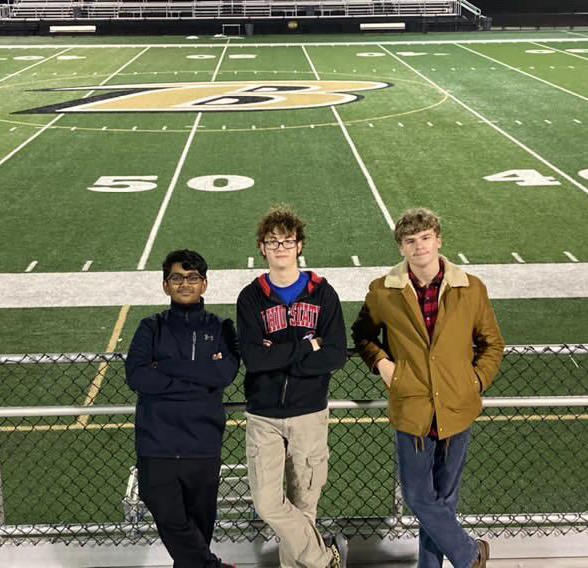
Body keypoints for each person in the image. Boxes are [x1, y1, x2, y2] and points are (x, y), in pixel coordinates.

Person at [351, 208, 504, 568]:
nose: (419, 246)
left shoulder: (470, 288)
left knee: (444, 502)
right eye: (410, 241)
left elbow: (492, 344)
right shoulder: (383, 291)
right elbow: (362, 334)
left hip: (457, 406)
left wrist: (474, 382)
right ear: (401, 247)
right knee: (419, 497)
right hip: (413, 406)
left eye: (425, 238)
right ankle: (470, 555)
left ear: (438, 240)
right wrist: (384, 365)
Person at [236, 205, 348, 568]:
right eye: (273, 242)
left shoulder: (323, 293)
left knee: (304, 507)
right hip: (264, 416)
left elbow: (335, 355)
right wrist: (306, 347)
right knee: (268, 504)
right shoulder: (250, 297)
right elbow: (255, 360)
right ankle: (324, 558)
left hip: (309, 413)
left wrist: (280, 356)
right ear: (262, 247)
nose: (280, 248)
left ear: (299, 245)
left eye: (287, 241)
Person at [126, 249, 239, 568]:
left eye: (192, 278)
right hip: (156, 444)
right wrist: (200, 379)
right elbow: (137, 376)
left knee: (197, 537)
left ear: (205, 284)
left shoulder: (222, 327)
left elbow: (224, 374)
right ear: (165, 285)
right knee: (172, 520)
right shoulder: (150, 327)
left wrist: (165, 366)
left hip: (202, 444)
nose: (185, 283)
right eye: (176, 278)